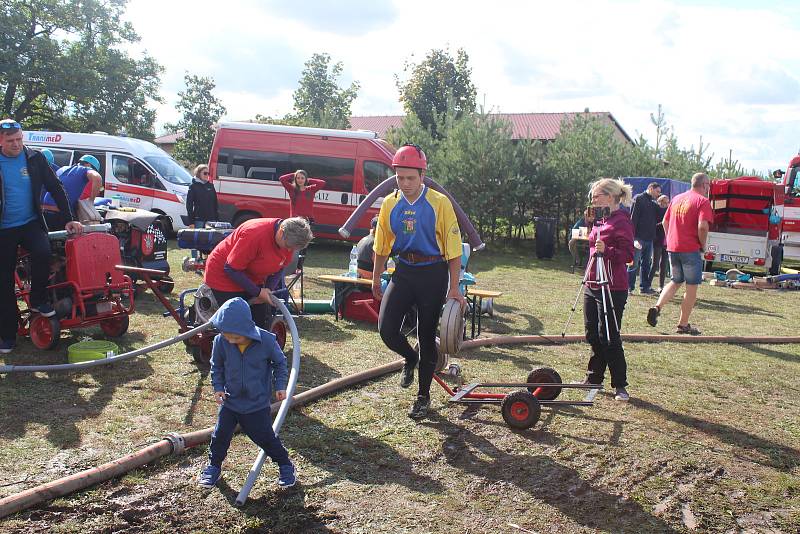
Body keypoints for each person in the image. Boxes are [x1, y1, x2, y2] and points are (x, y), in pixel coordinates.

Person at [371, 144, 465, 420]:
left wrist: (454, 286)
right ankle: (409, 358)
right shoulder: (390, 203)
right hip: (404, 270)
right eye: (400, 178)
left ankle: (423, 397)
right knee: (387, 330)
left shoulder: (439, 203)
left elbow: (454, 249)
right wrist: (376, 278)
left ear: (422, 175)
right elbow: (381, 245)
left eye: (411, 177)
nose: (406, 183)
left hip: (432, 273)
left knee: (426, 336)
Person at [0, 119, 82, 353]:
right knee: (4, 282)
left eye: (19, 139)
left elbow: (56, 187)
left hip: (29, 222)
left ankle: (37, 300)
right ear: (0, 141)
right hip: (3, 229)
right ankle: (7, 336)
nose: (16, 144)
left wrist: (69, 217)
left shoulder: (35, 158)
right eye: (10, 141)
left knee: (43, 251)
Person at [197, 297, 296, 489]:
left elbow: (280, 363)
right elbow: (216, 366)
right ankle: (213, 466)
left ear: (247, 329)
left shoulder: (266, 341)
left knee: (265, 438)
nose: (231, 340)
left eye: (236, 337)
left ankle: (285, 465)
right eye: (227, 336)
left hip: (256, 403)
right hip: (231, 402)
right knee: (220, 436)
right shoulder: (221, 341)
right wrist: (218, 387)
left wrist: (280, 385)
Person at [203, 216, 313, 329]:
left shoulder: (288, 242)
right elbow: (231, 268)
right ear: (281, 232)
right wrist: (258, 292)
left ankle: (256, 345)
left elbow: (280, 267)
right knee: (237, 324)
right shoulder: (254, 234)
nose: (289, 251)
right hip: (224, 277)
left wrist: (267, 290)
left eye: (293, 249)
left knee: (260, 321)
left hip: (251, 276)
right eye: (288, 247)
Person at [583, 178, 635, 401]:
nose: (593, 200)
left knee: (609, 335)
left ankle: (620, 385)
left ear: (611, 197)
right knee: (592, 333)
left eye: (597, 196)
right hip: (592, 282)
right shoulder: (599, 219)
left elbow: (629, 256)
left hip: (613, 286)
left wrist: (608, 250)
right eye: (592, 197)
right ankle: (594, 378)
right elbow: (594, 244)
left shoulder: (622, 221)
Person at [647, 173, 713, 335]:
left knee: (675, 280)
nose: (709, 188)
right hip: (690, 248)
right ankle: (683, 324)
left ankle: (657, 307)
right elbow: (703, 227)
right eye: (708, 185)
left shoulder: (677, 198)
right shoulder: (702, 201)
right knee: (691, 287)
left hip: (673, 247)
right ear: (704, 185)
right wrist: (703, 245)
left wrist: (671, 239)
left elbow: (665, 222)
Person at [41, 154, 102, 228]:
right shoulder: (84, 169)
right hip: (58, 213)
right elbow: (97, 178)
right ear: (88, 165)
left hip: (43, 210)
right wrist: (91, 201)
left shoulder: (63, 169)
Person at [628, 182, 661, 294]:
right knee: (634, 264)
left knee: (646, 264)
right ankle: (628, 287)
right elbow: (633, 219)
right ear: (651, 188)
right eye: (657, 191)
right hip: (638, 238)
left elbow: (659, 218)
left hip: (649, 239)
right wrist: (633, 238)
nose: (658, 194)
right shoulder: (639, 198)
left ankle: (644, 288)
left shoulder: (654, 202)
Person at [186, 164, 219, 229]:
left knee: (211, 239)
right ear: (198, 173)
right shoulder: (193, 186)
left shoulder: (211, 186)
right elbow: (189, 205)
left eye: (208, 173)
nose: (207, 175)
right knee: (198, 239)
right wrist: (191, 222)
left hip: (211, 220)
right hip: (199, 220)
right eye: (205, 173)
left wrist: (216, 219)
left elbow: (215, 203)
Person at [649, 194, 671, 291]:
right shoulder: (656, 211)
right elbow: (653, 225)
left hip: (666, 241)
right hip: (657, 240)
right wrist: (662, 224)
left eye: (667, 202)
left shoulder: (668, 211)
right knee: (655, 263)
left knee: (664, 264)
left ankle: (661, 286)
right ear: (659, 202)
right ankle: (648, 284)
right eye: (664, 202)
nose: (666, 204)